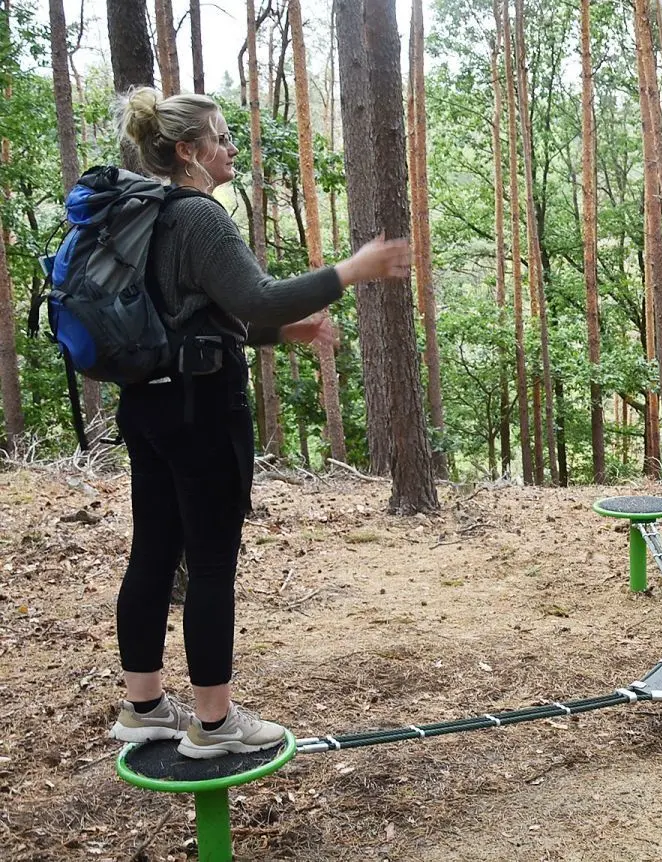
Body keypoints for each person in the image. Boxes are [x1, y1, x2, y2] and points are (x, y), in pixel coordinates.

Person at [106, 87, 410, 757]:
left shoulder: (140, 215)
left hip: (147, 404)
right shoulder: (198, 217)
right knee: (211, 562)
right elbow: (256, 296)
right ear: (189, 152)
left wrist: (279, 336)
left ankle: (144, 706)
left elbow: (191, 318)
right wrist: (351, 270)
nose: (232, 148)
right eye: (220, 138)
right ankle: (214, 725)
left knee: (153, 549)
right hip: (203, 410)